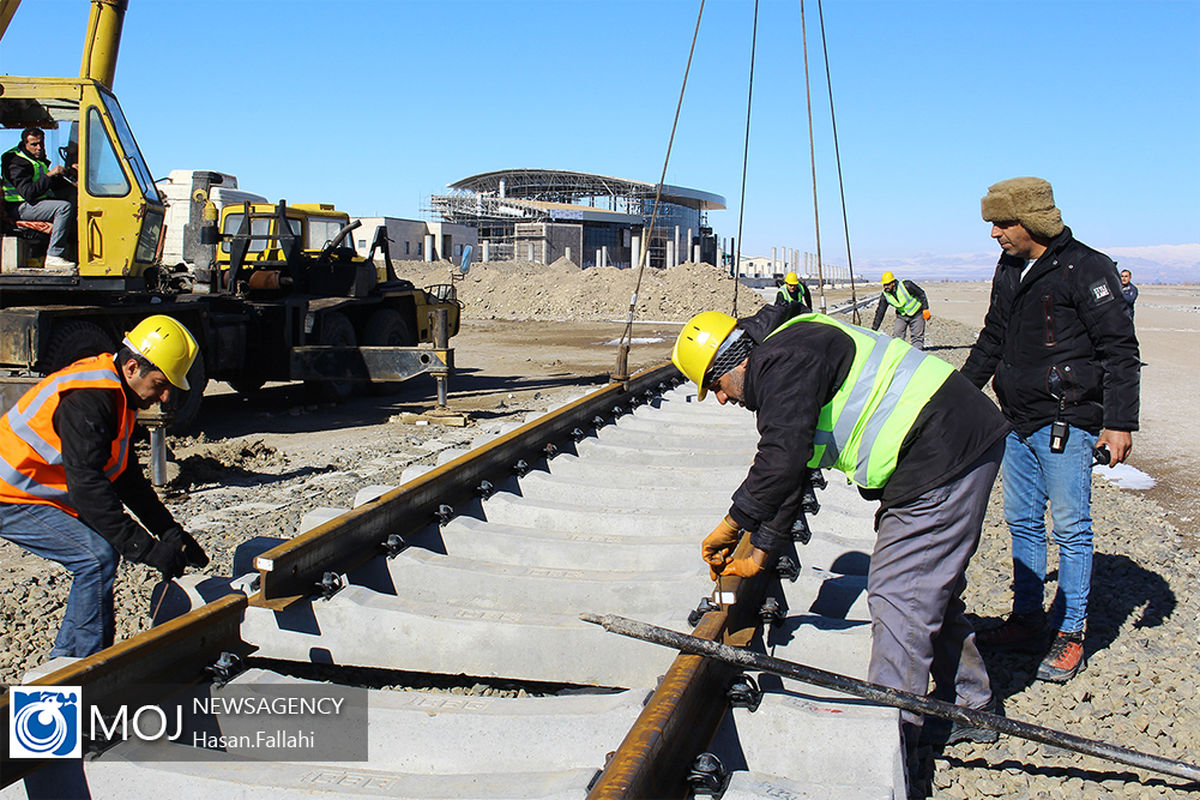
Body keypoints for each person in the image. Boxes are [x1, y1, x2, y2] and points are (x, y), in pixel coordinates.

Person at [672, 302, 1010, 747]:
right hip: (946, 442)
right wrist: (763, 546)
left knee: (898, 594)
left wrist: (735, 522)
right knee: (923, 588)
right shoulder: (789, 348)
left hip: (940, 452)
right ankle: (972, 706)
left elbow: (781, 458)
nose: (720, 397)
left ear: (731, 362)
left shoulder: (781, 363)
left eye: (714, 385)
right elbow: (796, 466)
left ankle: (892, 739)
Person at [963, 177, 1139, 683]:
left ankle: (1070, 631)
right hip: (1014, 420)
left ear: (1031, 221)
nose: (994, 234)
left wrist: (1120, 423)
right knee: (1021, 522)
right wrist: (955, 397)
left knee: (1072, 527)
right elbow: (993, 336)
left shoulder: (1087, 268)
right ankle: (1026, 619)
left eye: (1001, 223)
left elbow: (1119, 350)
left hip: (1067, 419)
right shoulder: (1009, 267)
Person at [0, 315, 208, 659]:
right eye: (160, 384)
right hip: (9, 492)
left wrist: (170, 532)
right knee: (96, 557)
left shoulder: (118, 395)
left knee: (97, 555)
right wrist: (146, 549)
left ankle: (63, 665)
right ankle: (82, 672)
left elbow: (125, 477)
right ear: (131, 367)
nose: (165, 397)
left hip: (32, 490)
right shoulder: (90, 398)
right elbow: (89, 490)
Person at [2, 127, 77, 268]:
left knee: (72, 195)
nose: (39, 148)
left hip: (34, 203)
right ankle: (54, 256)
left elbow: (47, 186)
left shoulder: (36, 160)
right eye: (34, 144)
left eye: (41, 144)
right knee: (63, 208)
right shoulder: (16, 162)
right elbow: (28, 193)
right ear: (24, 144)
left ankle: (73, 247)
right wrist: (50, 175)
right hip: (19, 207)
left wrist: (70, 172)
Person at [871, 272, 930, 350]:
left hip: (917, 314)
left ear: (893, 283)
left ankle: (916, 354)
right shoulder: (885, 295)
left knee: (917, 338)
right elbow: (880, 312)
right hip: (902, 316)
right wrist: (874, 329)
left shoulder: (907, 285)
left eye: (888, 284)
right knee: (897, 336)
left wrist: (925, 309)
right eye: (884, 285)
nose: (886, 287)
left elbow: (921, 294)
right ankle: (899, 352)